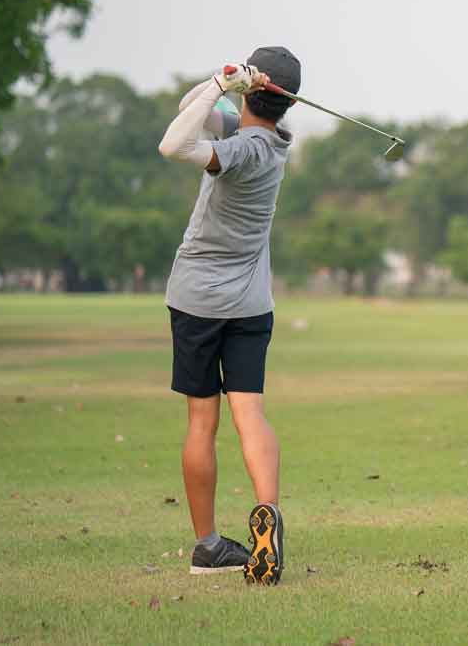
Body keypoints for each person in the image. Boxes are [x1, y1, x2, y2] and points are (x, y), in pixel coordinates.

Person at [156, 46, 300, 585]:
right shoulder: (277, 141)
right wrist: (223, 87)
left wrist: (223, 80)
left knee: (202, 421)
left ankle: (208, 546)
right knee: (250, 415)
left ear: (253, 90)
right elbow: (187, 108)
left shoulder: (242, 149)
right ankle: (268, 515)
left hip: (196, 299)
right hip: (250, 304)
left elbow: (173, 142)